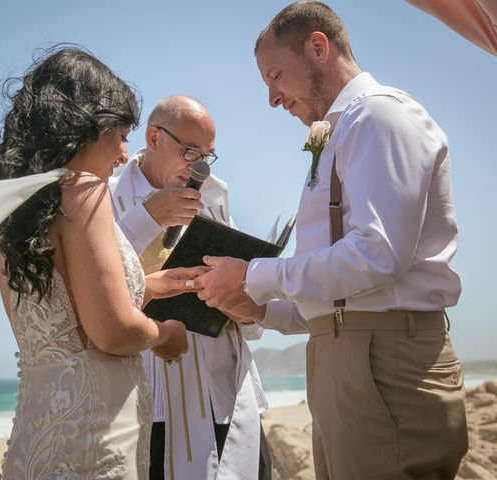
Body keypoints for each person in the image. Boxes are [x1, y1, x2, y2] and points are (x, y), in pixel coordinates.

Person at [193, 2, 469, 479]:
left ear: (318, 47)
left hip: (384, 364)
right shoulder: (342, 131)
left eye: (275, 76)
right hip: (348, 359)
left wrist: (253, 276)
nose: (272, 99)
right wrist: (258, 308)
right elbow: (341, 296)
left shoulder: (379, 117)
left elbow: (378, 256)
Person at [0, 46, 197, 479]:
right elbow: (110, 330)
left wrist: (150, 287)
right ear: (86, 126)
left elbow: (65, 313)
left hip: (38, 437)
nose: (125, 154)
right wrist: (164, 335)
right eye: (121, 134)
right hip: (95, 437)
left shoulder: (21, 210)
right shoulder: (85, 191)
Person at [109, 95, 270, 480]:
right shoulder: (107, 194)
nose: (199, 166)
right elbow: (98, 285)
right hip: (153, 403)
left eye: (208, 155)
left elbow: (251, 315)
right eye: (190, 151)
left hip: (225, 394)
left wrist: (238, 299)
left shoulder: (214, 197)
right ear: (153, 138)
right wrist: (149, 218)